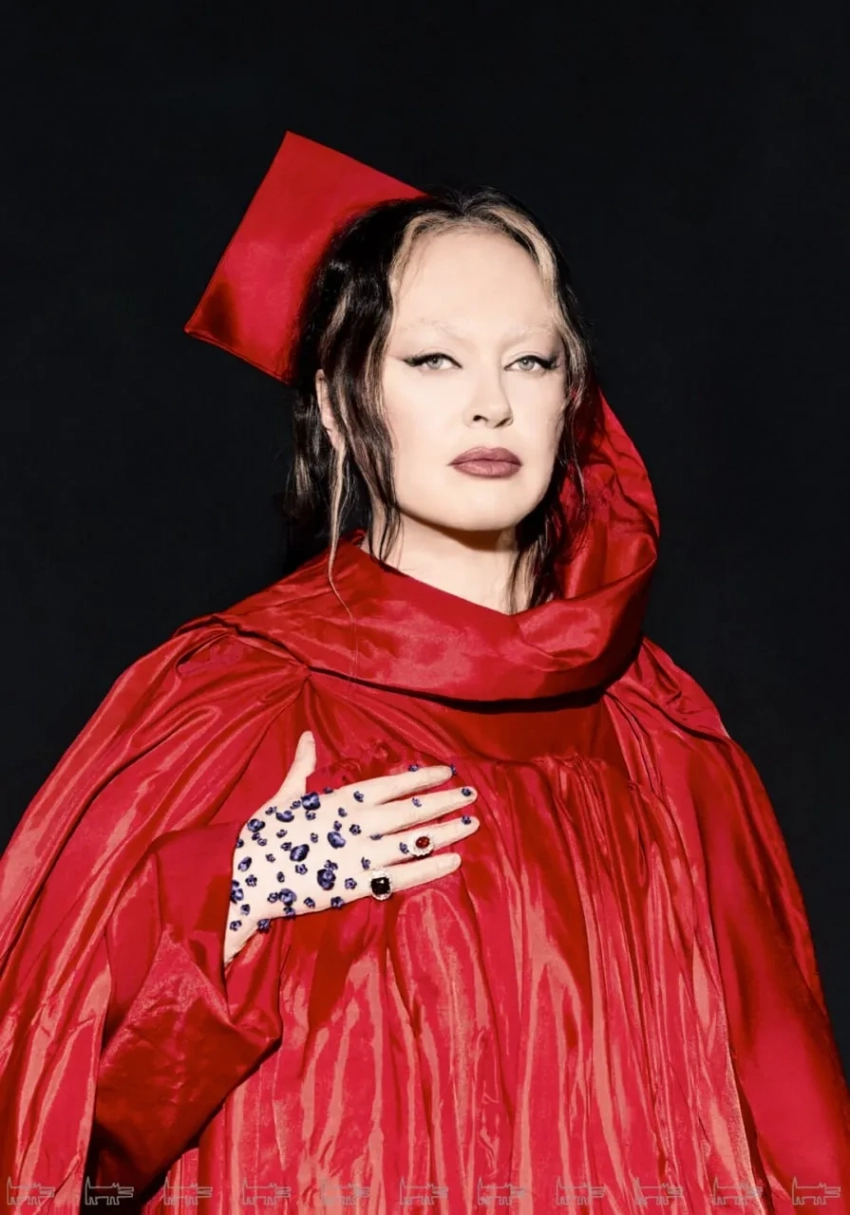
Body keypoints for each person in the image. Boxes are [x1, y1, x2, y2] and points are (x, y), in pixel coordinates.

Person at [0, 132, 847, 1215]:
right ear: (336, 399)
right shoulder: (236, 699)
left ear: (572, 398)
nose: (490, 403)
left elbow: (791, 1138)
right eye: (433, 360)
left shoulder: (663, 735)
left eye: (529, 361)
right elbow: (68, 1134)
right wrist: (230, 893)